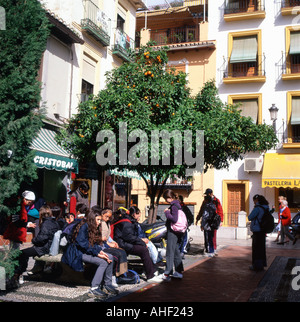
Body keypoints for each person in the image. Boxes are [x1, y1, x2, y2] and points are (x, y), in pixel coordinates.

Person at [62, 210, 117, 299]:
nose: (99, 222)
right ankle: (94, 288)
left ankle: (108, 284)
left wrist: (100, 252)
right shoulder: (84, 227)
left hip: (86, 251)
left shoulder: (92, 227)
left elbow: (93, 244)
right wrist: (98, 254)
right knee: (103, 262)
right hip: (77, 253)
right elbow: (82, 245)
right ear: (92, 219)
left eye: (100, 220)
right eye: (98, 220)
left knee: (110, 257)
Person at [11, 205, 60, 285]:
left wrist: (34, 240)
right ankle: (19, 274)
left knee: (20, 254)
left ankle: (17, 275)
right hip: (48, 247)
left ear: (41, 214)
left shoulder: (46, 223)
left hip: (42, 249)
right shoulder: (54, 222)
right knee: (24, 253)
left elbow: (42, 238)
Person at [112, 207, 162, 283]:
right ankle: (150, 275)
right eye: (139, 215)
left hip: (124, 243)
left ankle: (152, 271)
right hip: (122, 244)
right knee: (143, 250)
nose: (139, 216)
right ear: (134, 214)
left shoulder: (129, 221)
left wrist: (141, 241)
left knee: (144, 249)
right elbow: (129, 237)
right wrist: (141, 242)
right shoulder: (127, 223)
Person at [98, 207, 128, 284]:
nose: (107, 218)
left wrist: (114, 242)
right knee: (116, 255)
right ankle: (113, 276)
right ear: (102, 214)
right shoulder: (99, 223)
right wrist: (109, 243)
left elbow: (108, 237)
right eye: (106, 216)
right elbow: (99, 237)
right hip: (101, 246)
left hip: (106, 244)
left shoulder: (107, 223)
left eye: (109, 217)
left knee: (122, 252)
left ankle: (121, 274)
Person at [161, 189, 185, 282]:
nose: (165, 201)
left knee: (170, 252)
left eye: (166, 198)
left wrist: (167, 212)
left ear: (169, 197)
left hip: (173, 231)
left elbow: (174, 219)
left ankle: (167, 273)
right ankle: (179, 272)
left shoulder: (174, 206)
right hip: (177, 231)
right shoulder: (178, 204)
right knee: (175, 251)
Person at [196, 188, 223, 255]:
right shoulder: (205, 201)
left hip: (213, 221)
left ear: (211, 194)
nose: (207, 195)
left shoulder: (216, 201)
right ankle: (207, 248)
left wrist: (221, 220)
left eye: (208, 194)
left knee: (213, 235)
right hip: (206, 221)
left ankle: (213, 248)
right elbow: (201, 210)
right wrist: (198, 218)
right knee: (206, 235)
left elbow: (220, 210)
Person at [248, 194, 269, 271]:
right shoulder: (266, 207)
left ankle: (256, 266)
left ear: (256, 200)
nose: (253, 202)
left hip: (257, 230)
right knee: (262, 248)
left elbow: (250, 217)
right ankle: (262, 264)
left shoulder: (257, 208)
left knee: (256, 249)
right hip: (263, 230)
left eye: (254, 201)